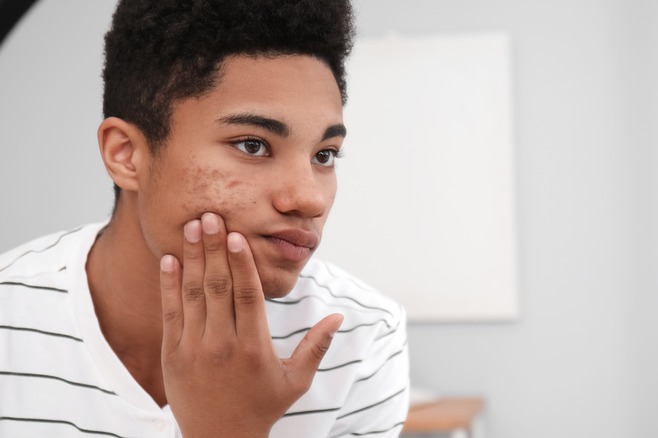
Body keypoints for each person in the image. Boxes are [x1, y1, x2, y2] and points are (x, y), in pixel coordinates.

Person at [0, 0, 409, 437]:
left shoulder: (361, 340)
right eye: (252, 145)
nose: (309, 199)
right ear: (126, 155)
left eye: (324, 155)